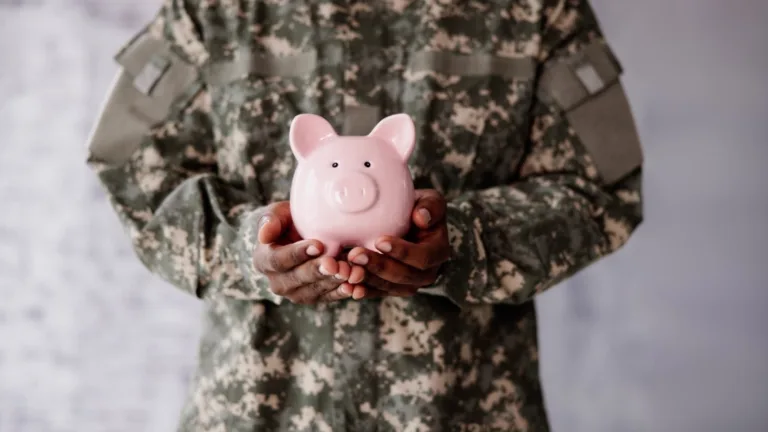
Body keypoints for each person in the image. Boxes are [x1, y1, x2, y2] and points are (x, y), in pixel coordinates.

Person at [86, 0, 644, 430]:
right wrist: (251, 247)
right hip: (259, 411)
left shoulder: (534, 9)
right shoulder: (214, 9)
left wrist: (466, 239)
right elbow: (134, 170)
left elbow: (601, 188)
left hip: (460, 410)